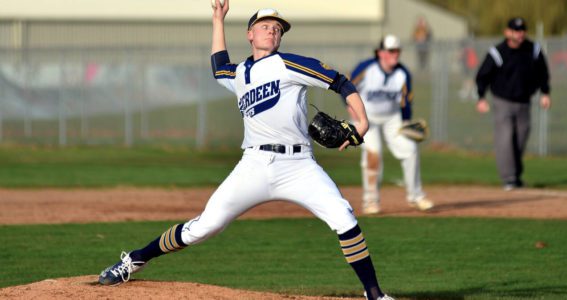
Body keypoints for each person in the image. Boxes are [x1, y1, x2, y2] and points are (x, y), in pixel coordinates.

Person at [98, 1, 394, 299]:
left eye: (277, 29)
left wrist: (362, 124)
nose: (272, 31)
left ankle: (375, 295)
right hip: (254, 163)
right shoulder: (239, 74)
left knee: (344, 218)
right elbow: (218, 67)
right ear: (250, 34)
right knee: (202, 228)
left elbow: (341, 83)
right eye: (265, 26)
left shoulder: (290, 64)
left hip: (299, 166)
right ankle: (135, 259)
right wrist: (217, 19)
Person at [348, 34, 434, 215]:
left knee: (410, 149)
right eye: (391, 51)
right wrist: (351, 108)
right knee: (373, 153)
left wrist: (406, 121)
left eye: (397, 51)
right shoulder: (367, 68)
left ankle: (416, 196)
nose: (395, 54)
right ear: (380, 52)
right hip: (366, 117)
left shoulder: (403, 73)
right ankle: (370, 201)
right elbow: (347, 88)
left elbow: (406, 101)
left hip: (392, 118)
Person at [475, 17, 551, 191]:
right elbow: (483, 75)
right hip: (503, 101)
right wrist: (481, 97)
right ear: (507, 32)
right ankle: (509, 178)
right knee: (505, 138)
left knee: (520, 139)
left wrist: (545, 92)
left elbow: (543, 72)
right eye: (516, 30)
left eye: (522, 30)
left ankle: (515, 175)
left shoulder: (533, 50)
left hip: (525, 102)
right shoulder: (497, 52)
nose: (520, 33)